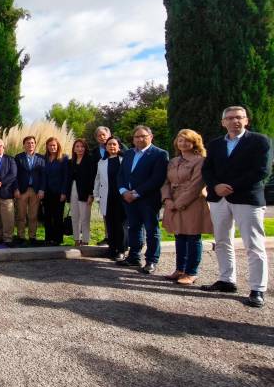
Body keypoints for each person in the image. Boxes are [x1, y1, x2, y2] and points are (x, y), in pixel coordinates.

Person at [201, 106, 272, 307]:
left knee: (253, 244)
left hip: (246, 198)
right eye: (230, 118)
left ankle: (258, 288)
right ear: (223, 122)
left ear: (246, 120)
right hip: (219, 199)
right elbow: (207, 169)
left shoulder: (260, 141)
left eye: (239, 117)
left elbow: (261, 171)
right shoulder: (215, 145)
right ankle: (227, 279)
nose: (235, 121)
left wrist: (230, 186)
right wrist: (215, 186)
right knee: (222, 241)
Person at [160, 129, 213, 286]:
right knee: (179, 236)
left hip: (193, 203)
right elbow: (165, 182)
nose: (183, 143)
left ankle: (191, 272)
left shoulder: (200, 161)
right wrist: (167, 199)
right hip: (173, 201)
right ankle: (180, 269)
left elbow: (196, 184)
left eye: (187, 140)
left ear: (194, 142)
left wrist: (179, 203)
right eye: (180, 140)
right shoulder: (173, 161)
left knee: (193, 237)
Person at [116, 125, 169, 274]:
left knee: (152, 230)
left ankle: (151, 260)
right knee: (134, 228)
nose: (140, 139)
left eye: (143, 136)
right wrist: (123, 191)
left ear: (150, 137)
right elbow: (120, 175)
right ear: (133, 139)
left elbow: (157, 179)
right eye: (136, 137)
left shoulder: (160, 154)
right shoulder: (128, 154)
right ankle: (134, 257)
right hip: (128, 199)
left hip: (148, 199)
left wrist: (137, 193)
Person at [93, 137, 127, 260]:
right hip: (106, 196)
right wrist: (96, 195)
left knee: (120, 224)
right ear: (106, 147)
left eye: (114, 144)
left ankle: (121, 250)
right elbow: (97, 179)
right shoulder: (102, 162)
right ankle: (111, 249)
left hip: (121, 197)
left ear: (119, 146)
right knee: (110, 224)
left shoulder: (125, 160)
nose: (112, 146)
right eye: (109, 144)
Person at [14, 136, 46, 246]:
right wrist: (16, 189)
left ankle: (32, 237)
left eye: (32, 143)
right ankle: (21, 236)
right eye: (28, 143)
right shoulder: (18, 157)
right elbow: (15, 175)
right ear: (24, 145)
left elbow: (43, 176)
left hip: (36, 190)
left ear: (35, 144)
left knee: (33, 215)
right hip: (22, 190)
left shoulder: (41, 158)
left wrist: (42, 189)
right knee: (21, 215)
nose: (30, 145)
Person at [66, 139, 96, 246]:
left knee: (85, 217)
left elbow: (92, 178)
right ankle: (76, 239)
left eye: (82, 146)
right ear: (74, 148)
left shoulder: (90, 160)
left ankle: (86, 240)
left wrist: (91, 194)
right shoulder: (70, 162)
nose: (79, 149)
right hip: (73, 190)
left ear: (85, 148)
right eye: (77, 146)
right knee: (75, 216)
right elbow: (68, 179)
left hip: (85, 191)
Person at [42, 137, 68, 246]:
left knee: (58, 217)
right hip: (47, 193)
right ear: (47, 147)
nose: (52, 147)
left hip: (59, 193)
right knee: (47, 216)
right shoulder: (44, 158)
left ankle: (58, 239)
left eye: (54, 145)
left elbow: (66, 176)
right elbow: (43, 176)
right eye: (50, 145)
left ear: (58, 146)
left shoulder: (63, 158)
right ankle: (48, 238)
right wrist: (41, 190)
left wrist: (63, 192)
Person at [92, 126, 112, 246]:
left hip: (117, 187)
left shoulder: (117, 146)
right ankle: (108, 236)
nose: (102, 137)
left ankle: (121, 238)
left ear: (109, 135)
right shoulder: (94, 152)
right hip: (102, 187)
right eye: (99, 135)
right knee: (105, 213)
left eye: (104, 134)